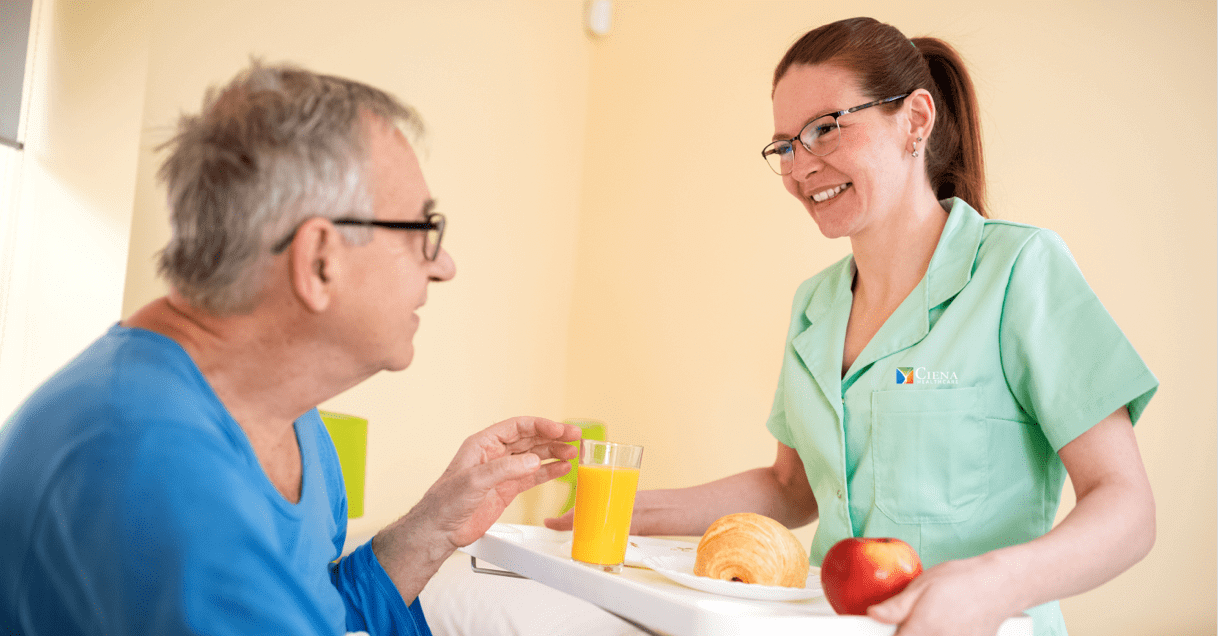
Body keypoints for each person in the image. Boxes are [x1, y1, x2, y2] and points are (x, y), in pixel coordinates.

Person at [548, 17, 1157, 636]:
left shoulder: (1020, 272)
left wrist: (993, 582)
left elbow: (1126, 507)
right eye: (785, 144)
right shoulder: (815, 306)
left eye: (825, 129)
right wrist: (632, 510)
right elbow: (792, 487)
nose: (800, 165)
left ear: (916, 121)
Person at [0, 61, 581, 635]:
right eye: (422, 230)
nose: (444, 266)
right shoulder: (155, 464)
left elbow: (315, 614)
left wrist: (432, 527)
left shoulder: (289, 420)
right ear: (320, 260)